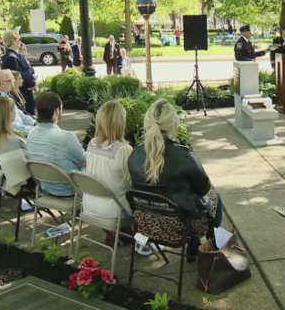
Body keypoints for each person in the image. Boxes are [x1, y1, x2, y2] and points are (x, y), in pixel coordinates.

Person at [128, 99, 222, 259]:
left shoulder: (134, 154)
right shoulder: (184, 155)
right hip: (181, 227)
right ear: (174, 124)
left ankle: (200, 245)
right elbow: (203, 188)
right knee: (215, 196)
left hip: (145, 225)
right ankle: (210, 246)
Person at [85, 101, 134, 246]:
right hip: (114, 211)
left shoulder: (91, 143)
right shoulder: (123, 149)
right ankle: (128, 234)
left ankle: (116, 235)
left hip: (90, 205)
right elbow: (132, 182)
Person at [27, 92, 86, 197]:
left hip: (46, 188)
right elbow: (84, 161)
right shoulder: (67, 137)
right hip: (71, 188)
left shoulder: (31, 134)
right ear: (57, 111)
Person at [1, 30, 37, 115]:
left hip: (26, 91)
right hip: (23, 91)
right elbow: (20, 75)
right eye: (18, 40)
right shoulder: (11, 58)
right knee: (28, 115)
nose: (20, 42)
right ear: (12, 41)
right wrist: (32, 83)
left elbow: (29, 70)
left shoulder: (15, 56)